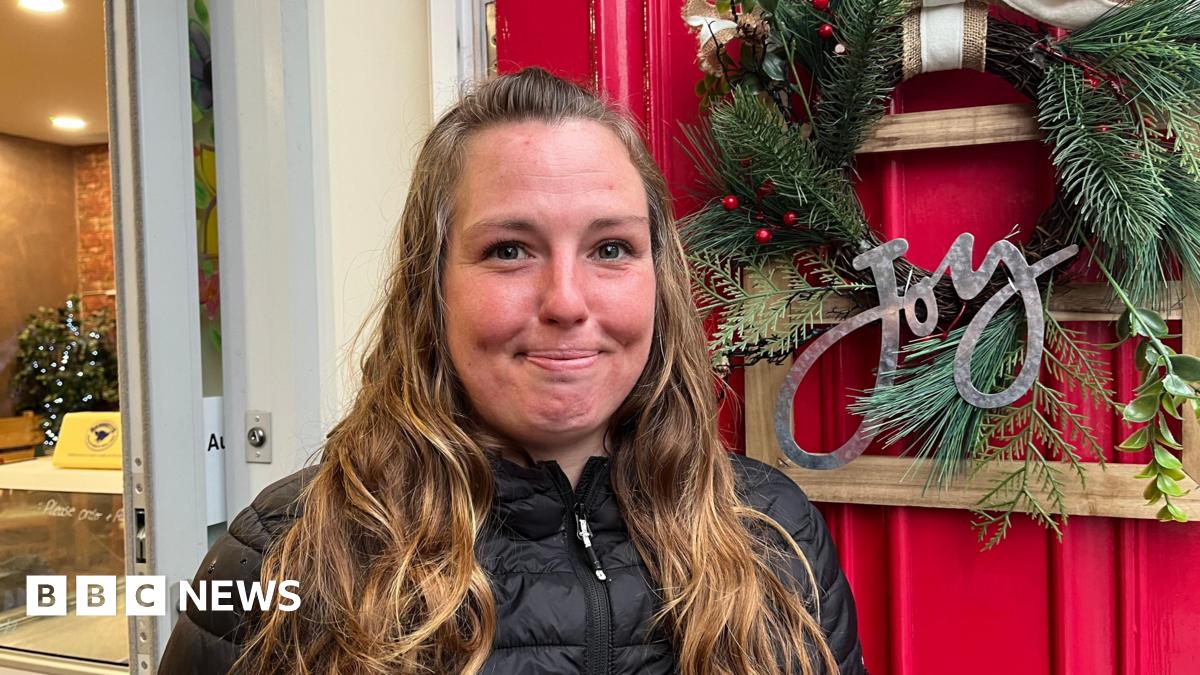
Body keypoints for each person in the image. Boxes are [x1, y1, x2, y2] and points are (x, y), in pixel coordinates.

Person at [159, 66, 865, 675]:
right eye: (508, 250)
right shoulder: (282, 554)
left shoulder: (771, 532)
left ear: (659, 277)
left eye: (611, 248)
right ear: (431, 285)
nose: (565, 300)